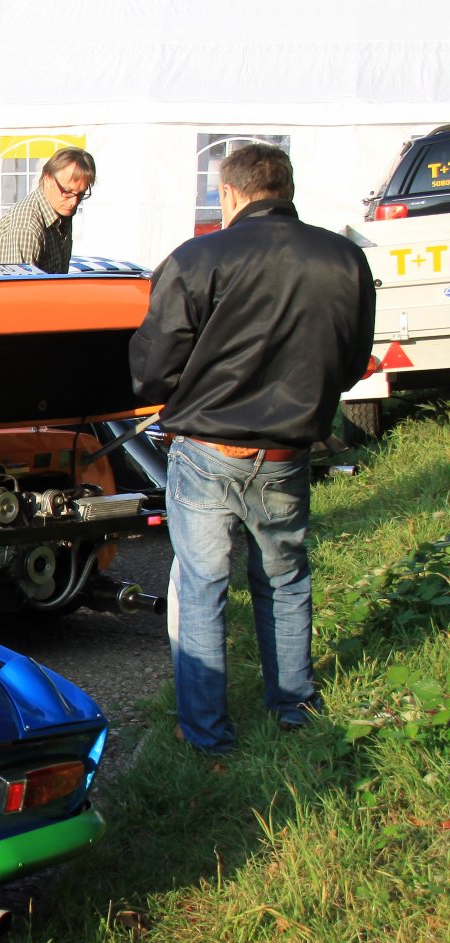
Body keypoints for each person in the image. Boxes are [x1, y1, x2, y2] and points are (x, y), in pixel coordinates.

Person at [129, 143, 375, 756]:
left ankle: (206, 735)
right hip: (288, 449)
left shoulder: (196, 258)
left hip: (207, 448)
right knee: (285, 579)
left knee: (202, 587)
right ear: (286, 189)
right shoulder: (344, 258)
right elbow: (350, 365)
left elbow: (152, 371)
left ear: (230, 193)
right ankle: (294, 708)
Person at [0, 147, 95, 273]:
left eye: (81, 193)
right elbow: (18, 284)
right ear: (47, 178)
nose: (74, 202)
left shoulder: (61, 211)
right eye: (67, 191)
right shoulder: (26, 227)